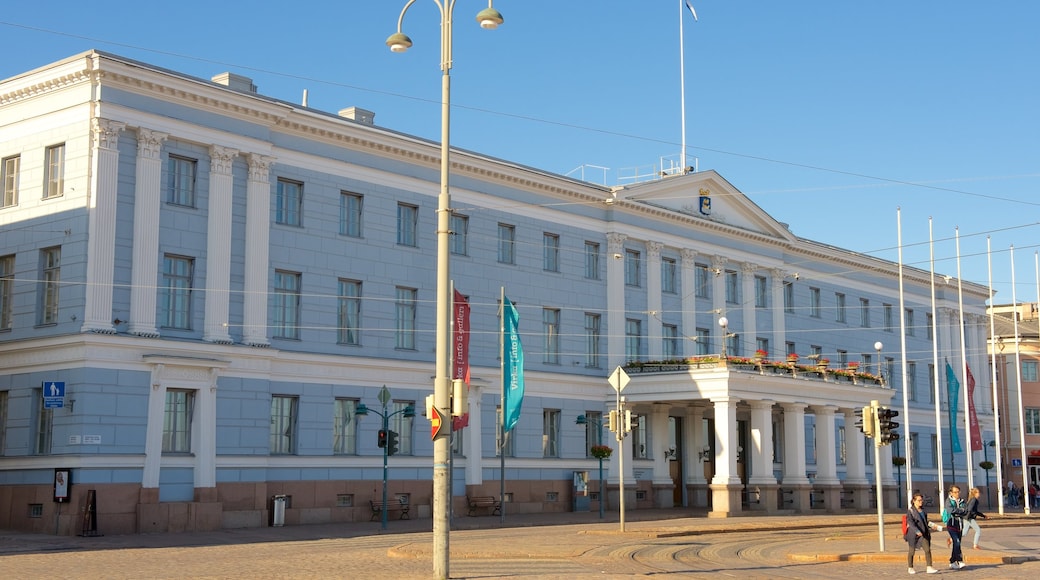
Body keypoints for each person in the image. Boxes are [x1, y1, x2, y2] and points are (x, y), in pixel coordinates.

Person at [905, 492, 942, 574]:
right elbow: (910, 523)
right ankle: (910, 567)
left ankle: (929, 567)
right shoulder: (910, 511)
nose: (921, 502)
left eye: (922, 500)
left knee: (927, 549)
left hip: (923, 533)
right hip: (913, 534)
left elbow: (925, 522)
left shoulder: (923, 510)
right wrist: (917, 531)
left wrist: (933, 525)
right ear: (914, 501)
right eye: (919, 500)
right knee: (912, 551)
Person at [945, 485, 969, 569]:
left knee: (957, 543)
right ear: (951, 493)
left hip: (960, 525)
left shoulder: (962, 501)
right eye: (955, 492)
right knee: (957, 541)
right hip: (951, 524)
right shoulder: (948, 501)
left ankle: (952, 561)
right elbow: (950, 510)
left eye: (958, 492)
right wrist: (959, 511)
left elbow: (965, 511)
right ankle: (960, 560)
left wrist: (958, 511)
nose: (957, 494)